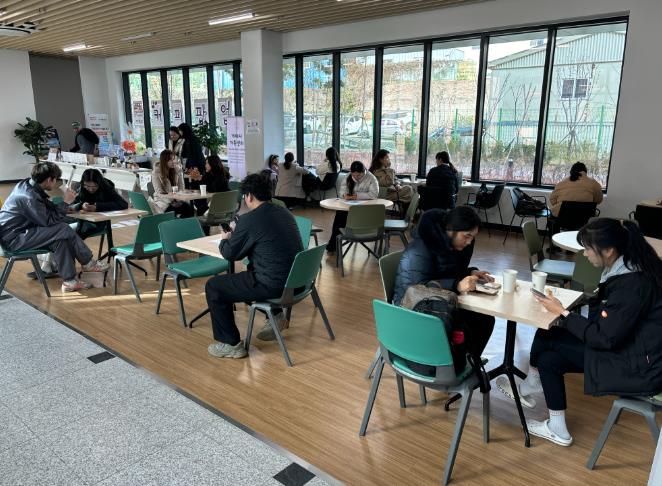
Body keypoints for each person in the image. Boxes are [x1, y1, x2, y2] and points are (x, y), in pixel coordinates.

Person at [499, 218, 662, 447]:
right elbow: (610, 321)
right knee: (549, 356)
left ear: (609, 251)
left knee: (550, 334)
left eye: (587, 249)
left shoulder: (632, 284)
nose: (584, 254)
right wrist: (568, 311)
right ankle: (556, 425)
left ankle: (532, 385)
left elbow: (604, 337)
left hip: (639, 367)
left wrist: (563, 312)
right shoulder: (632, 265)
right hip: (635, 351)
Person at [205, 173, 303, 358]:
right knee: (250, 272)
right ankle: (276, 316)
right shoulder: (284, 212)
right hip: (297, 282)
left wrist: (225, 238)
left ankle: (231, 344)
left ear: (248, 196)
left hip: (274, 285)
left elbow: (230, 254)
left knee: (214, 287)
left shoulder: (249, 220)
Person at [391, 207, 495, 363]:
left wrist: (470, 272)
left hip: (435, 301)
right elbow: (416, 290)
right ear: (451, 230)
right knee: (475, 323)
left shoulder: (448, 244)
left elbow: (445, 272)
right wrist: (457, 285)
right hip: (412, 309)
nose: (469, 242)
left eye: (472, 237)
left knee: (485, 319)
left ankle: (466, 362)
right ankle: (455, 365)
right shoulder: (421, 249)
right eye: (467, 236)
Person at [0, 162, 109, 292]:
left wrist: (66, 207)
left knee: (60, 240)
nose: (56, 183)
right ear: (48, 180)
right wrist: (66, 202)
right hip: (14, 239)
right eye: (55, 179)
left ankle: (70, 282)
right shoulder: (29, 197)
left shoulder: (27, 185)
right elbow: (48, 221)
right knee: (62, 228)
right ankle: (88, 263)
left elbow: (44, 207)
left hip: (20, 233)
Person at [325, 161, 379, 254]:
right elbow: (342, 192)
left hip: (366, 210)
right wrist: (344, 195)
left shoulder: (371, 178)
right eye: (354, 175)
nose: (356, 177)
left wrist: (356, 196)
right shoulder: (348, 176)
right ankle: (333, 244)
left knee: (341, 218)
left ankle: (333, 244)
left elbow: (374, 194)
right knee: (340, 215)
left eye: (359, 175)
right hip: (350, 208)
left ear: (364, 171)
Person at [70, 168, 128, 239]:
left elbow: (123, 204)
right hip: (81, 219)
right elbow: (71, 205)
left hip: (97, 222)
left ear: (99, 184)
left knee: (74, 233)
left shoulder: (106, 187)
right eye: (87, 186)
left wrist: (98, 207)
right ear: (83, 183)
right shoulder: (81, 187)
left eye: (94, 186)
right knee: (61, 227)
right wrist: (81, 205)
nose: (91, 189)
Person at [150, 149, 194, 218]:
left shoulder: (175, 170)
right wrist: (172, 201)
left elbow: (181, 188)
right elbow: (159, 192)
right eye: (171, 160)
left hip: (176, 200)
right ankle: (174, 224)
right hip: (163, 201)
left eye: (174, 159)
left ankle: (184, 224)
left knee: (188, 208)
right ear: (165, 161)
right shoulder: (156, 173)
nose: (174, 162)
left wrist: (180, 172)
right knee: (173, 210)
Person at [178, 122, 208, 214]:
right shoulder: (192, 139)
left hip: (196, 167)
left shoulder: (189, 141)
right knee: (198, 188)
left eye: (180, 131)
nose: (179, 133)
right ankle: (200, 209)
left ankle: (200, 210)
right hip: (198, 165)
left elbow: (192, 156)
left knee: (197, 188)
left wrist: (191, 168)